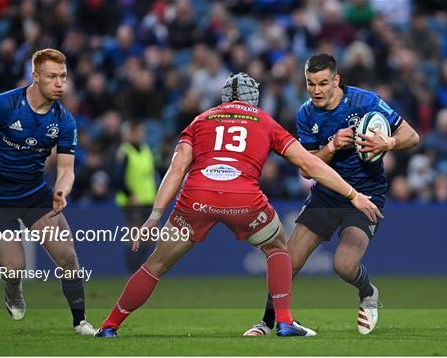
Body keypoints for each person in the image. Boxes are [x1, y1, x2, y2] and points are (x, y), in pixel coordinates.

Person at [94, 72, 382, 338]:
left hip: (196, 196)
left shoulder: (201, 120)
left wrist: (155, 216)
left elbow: (177, 168)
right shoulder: (264, 120)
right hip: (242, 197)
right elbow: (309, 164)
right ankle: (283, 321)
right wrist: (353, 194)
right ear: (253, 98)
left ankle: (109, 325)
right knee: (278, 248)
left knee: (154, 265)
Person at [243, 53, 419, 336]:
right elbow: (307, 168)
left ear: (337, 80)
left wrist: (389, 142)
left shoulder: (366, 102)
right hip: (326, 196)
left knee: (344, 264)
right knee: (287, 261)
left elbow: (412, 136)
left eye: (323, 83)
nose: (316, 90)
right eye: (310, 83)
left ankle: (368, 292)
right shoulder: (305, 114)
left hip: (365, 196)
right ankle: (266, 322)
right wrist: (332, 145)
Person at [0, 48, 96, 335]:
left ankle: (80, 322)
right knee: (15, 267)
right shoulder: (3, 106)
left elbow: (67, 168)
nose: (60, 83)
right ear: (35, 76)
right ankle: (13, 289)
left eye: (63, 77)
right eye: (52, 77)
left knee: (68, 257)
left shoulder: (64, 121)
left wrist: (61, 190)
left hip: (35, 195)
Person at [114, 121, 157, 272]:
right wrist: (130, 194)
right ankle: (132, 272)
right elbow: (117, 178)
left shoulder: (145, 150)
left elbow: (150, 175)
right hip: (132, 202)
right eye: (139, 131)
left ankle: (139, 270)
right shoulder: (125, 152)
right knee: (135, 237)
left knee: (150, 238)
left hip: (148, 200)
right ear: (131, 133)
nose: (142, 134)